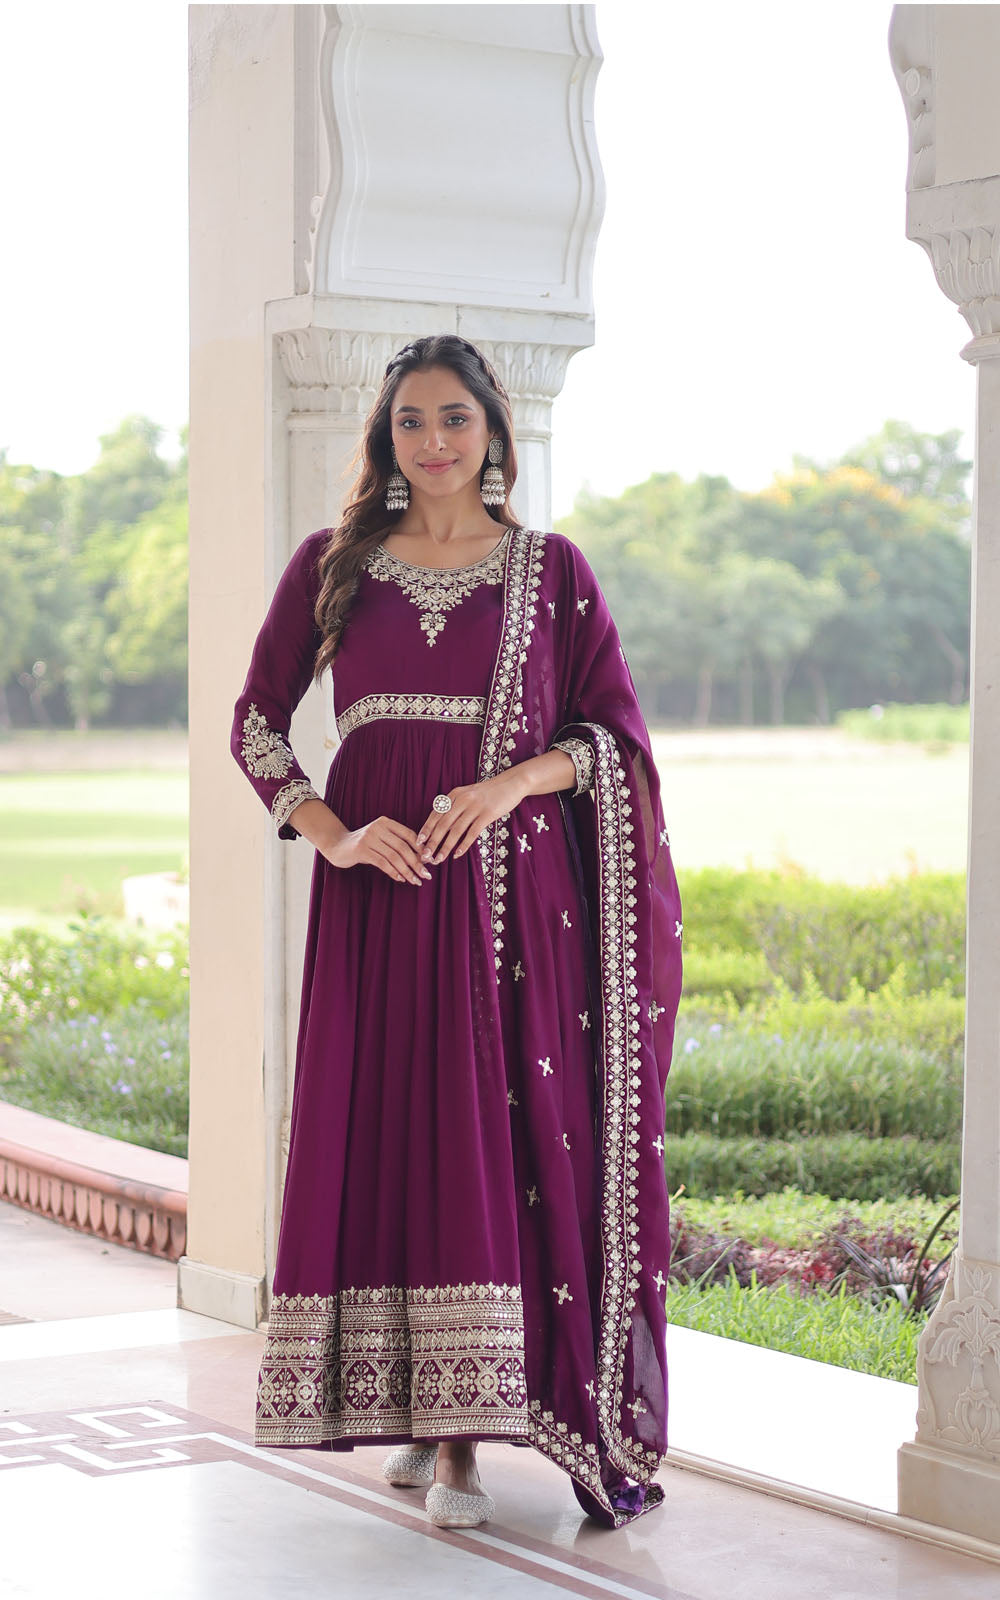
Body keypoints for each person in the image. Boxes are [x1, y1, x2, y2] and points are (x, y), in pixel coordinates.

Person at [230, 333, 683, 1530]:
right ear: (384, 437)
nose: (434, 443)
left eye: (455, 420)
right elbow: (256, 723)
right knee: (395, 1125)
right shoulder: (335, 567)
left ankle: (463, 1443)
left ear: (493, 432)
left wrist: (503, 786)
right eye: (411, 422)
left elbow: (611, 741)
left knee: (484, 1138)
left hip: (508, 908)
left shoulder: (551, 570)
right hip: (379, 904)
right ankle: (421, 1412)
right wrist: (329, 832)